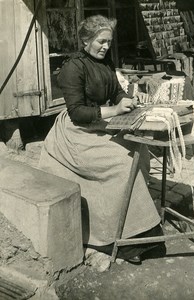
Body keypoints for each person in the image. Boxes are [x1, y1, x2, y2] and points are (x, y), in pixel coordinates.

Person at [39, 15, 165, 265]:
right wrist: (115, 111)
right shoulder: (72, 68)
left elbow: (116, 90)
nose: (106, 47)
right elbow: (77, 113)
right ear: (86, 40)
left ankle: (138, 226)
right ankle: (118, 239)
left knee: (136, 148)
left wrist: (125, 100)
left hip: (98, 124)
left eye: (109, 42)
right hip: (75, 133)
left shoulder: (105, 62)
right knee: (121, 163)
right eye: (101, 41)